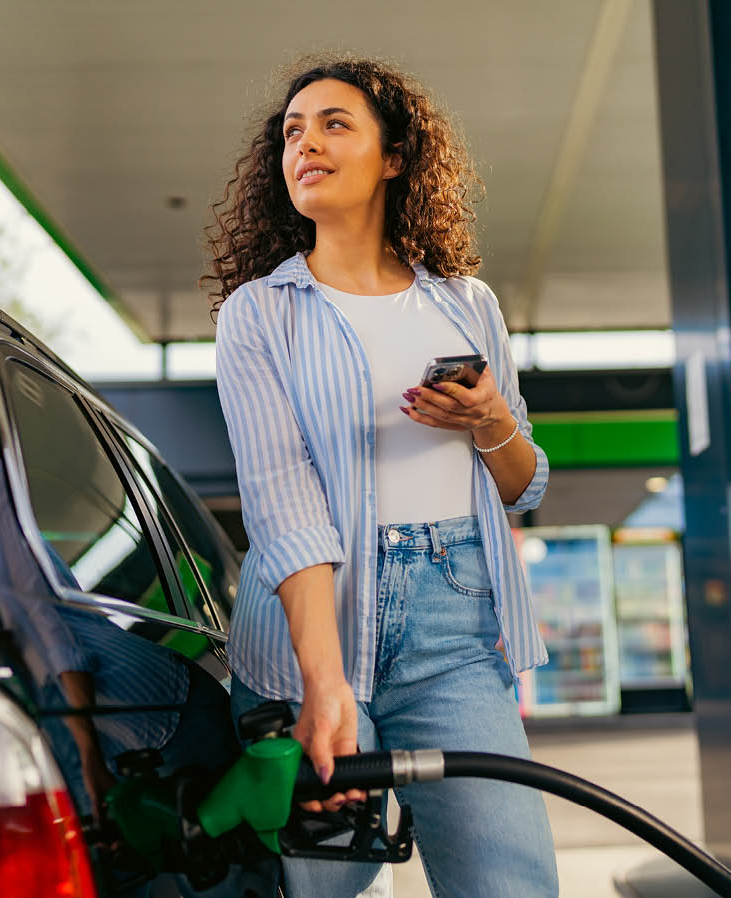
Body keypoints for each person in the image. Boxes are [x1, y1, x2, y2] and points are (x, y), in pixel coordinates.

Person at [203, 55, 559, 898]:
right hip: (308, 635)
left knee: (510, 884)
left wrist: (489, 421)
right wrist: (323, 683)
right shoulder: (260, 314)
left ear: (394, 156)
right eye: (292, 132)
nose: (306, 144)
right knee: (319, 886)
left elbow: (525, 486)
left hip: (452, 635)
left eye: (334, 124)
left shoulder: (466, 305)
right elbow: (283, 504)